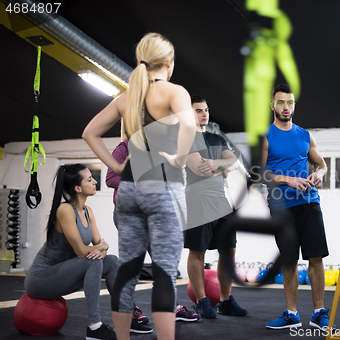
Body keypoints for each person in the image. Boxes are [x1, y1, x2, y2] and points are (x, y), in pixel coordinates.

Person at [83, 32, 197, 340]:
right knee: (163, 272)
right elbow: (189, 125)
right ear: (169, 63)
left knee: (128, 271)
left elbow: (89, 133)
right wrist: (178, 157)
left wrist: (117, 165)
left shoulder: (127, 98)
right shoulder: (174, 92)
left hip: (130, 189)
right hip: (162, 186)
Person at [106, 135, 200, 323]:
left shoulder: (160, 148)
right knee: (131, 268)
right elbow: (110, 178)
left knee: (163, 265)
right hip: (131, 214)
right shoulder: (124, 148)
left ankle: (173, 307)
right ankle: (129, 312)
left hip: (156, 213)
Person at [24, 164, 123, 340]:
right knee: (93, 260)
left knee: (113, 261)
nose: (94, 182)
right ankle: (94, 326)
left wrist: (101, 249)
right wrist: (100, 248)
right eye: (90, 179)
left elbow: (102, 247)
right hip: (40, 279)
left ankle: (125, 318)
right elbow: (82, 251)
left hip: (65, 274)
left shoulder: (88, 212)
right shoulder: (64, 210)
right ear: (77, 188)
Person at [262, 84, 330, 330]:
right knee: (289, 260)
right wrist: (287, 179)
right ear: (273, 106)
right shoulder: (265, 136)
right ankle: (292, 314)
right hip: (281, 206)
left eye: (289, 103)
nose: (285, 107)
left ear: (293, 105)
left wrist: (320, 173)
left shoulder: (304, 135)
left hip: (309, 201)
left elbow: (320, 163)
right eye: (280, 103)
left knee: (316, 256)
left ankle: (319, 312)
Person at [184, 94, 247, 319]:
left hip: (220, 199)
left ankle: (225, 300)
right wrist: (220, 165)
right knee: (198, 251)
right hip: (197, 198)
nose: (204, 114)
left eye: (206, 109)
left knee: (229, 249)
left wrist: (216, 164)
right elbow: (199, 169)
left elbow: (233, 163)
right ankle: (201, 302)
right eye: (198, 110)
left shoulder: (216, 138)